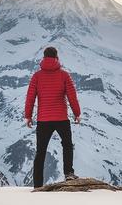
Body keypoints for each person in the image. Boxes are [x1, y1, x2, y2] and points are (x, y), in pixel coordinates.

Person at [24, 46, 82, 188]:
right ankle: (68, 173)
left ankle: (37, 184)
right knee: (67, 145)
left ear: (43, 58)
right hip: (61, 118)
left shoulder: (36, 76)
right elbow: (72, 96)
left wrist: (28, 116)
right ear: (56, 57)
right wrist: (77, 113)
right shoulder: (64, 75)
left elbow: (30, 98)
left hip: (43, 120)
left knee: (40, 151)